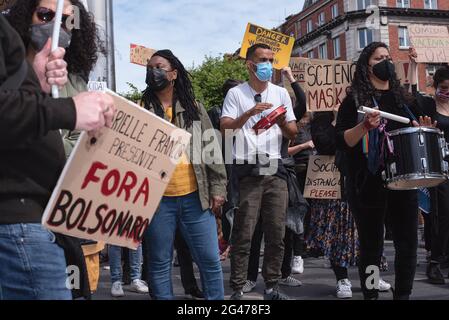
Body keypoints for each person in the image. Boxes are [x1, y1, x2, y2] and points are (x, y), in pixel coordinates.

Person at [0, 13, 115, 300]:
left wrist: (34, 83)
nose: (57, 26)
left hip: (47, 219)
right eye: (46, 15)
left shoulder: (51, 76)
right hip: (20, 223)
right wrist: (69, 111)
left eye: (68, 20)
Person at [335, 42, 435, 300]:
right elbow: (343, 140)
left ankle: (403, 294)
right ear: (366, 66)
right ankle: (370, 295)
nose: (386, 62)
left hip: (403, 180)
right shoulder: (355, 101)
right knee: (371, 246)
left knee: (408, 244)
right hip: (367, 182)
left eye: (388, 57)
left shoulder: (403, 99)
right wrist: (364, 127)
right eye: (379, 57)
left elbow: (420, 123)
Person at [142, 49, 227, 300]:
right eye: (149, 68)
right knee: (159, 264)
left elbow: (212, 151)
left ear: (174, 74)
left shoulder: (195, 108)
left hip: (195, 198)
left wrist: (219, 189)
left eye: (158, 67)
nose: (153, 72)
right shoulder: (140, 109)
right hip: (158, 202)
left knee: (210, 261)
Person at [221, 43, 298, 300]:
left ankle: (272, 285)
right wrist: (247, 114)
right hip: (247, 168)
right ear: (249, 64)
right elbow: (226, 131)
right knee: (243, 234)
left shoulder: (280, 93)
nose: (267, 64)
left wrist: (280, 122)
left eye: (270, 60)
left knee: (277, 233)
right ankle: (238, 288)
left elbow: (293, 132)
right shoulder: (236, 94)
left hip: (274, 168)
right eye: (262, 59)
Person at [411, 62, 449, 284]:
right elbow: (411, 94)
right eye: (443, 87)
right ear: (435, 87)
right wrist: (414, 66)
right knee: (440, 214)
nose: (447, 92)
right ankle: (434, 261)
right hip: (437, 168)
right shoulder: (427, 105)